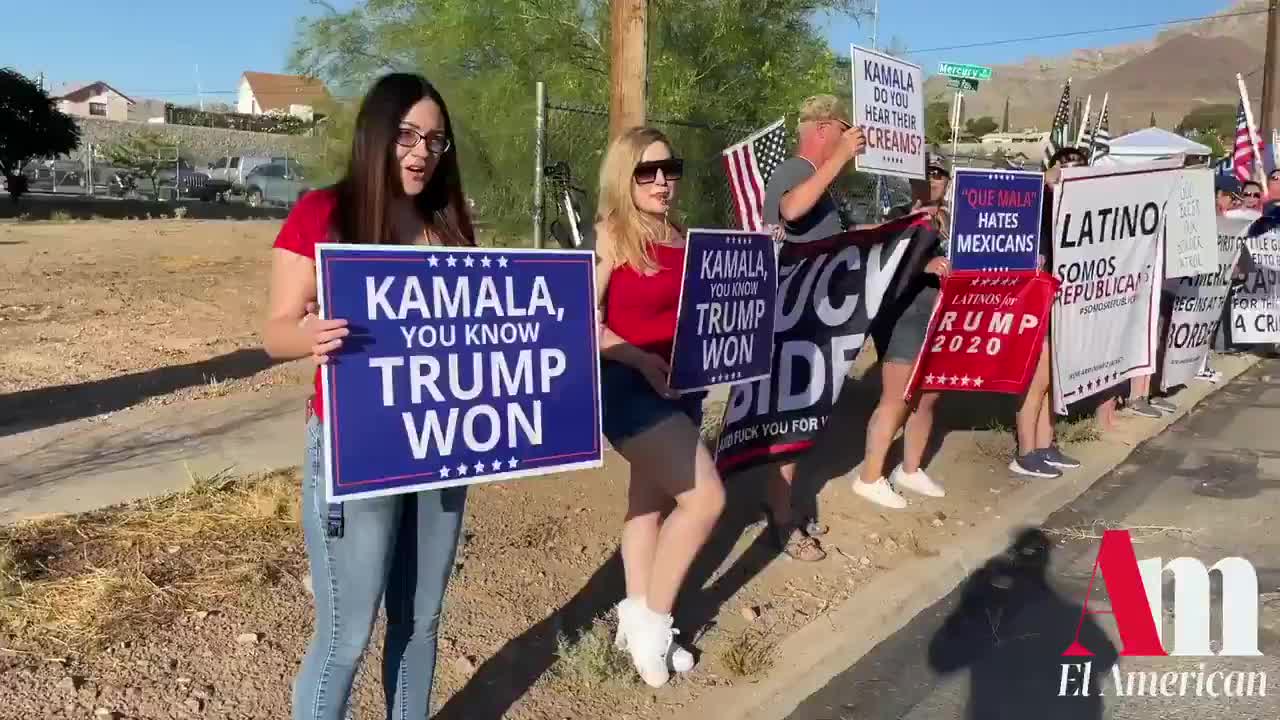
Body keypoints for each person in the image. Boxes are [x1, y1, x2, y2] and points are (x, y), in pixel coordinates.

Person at [262, 73, 474, 720]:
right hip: (356, 446)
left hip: (442, 445)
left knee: (422, 621)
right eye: (407, 135)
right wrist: (311, 337)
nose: (420, 153)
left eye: (434, 141)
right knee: (347, 633)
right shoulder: (324, 213)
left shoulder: (448, 225)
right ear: (377, 135)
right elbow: (274, 332)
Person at [594, 127, 726, 688]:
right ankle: (654, 624)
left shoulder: (680, 235)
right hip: (627, 386)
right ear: (623, 177)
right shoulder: (610, 236)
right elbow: (579, 320)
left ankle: (634, 614)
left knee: (647, 505)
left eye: (669, 169)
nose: (661, 181)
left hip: (681, 384)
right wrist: (640, 360)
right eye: (646, 172)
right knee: (705, 500)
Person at [758, 94, 866, 560]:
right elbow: (792, 210)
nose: (851, 140)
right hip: (790, 321)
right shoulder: (795, 172)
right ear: (824, 129)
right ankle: (781, 521)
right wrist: (839, 160)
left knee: (800, 420)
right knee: (788, 421)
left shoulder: (820, 180)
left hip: (816, 320)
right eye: (845, 131)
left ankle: (785, 504)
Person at [854, 152, 952, 508]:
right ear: (912, 179)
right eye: (927, 173)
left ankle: (909, 469)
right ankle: (869, 476)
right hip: (903, 319)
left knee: (927, 398)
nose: (934, 178)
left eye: (940, 173)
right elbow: (881, 261)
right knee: (896, 398)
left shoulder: (954, 221)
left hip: (940, 320)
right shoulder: (899, 218)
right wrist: (925, 264)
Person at [1009, 147, 1084, 478]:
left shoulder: (1084, 207)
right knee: (1036, 378)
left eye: (1079, 166)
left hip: (1068, 304)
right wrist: (1047, 179)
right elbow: (1014, 191)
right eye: (1064, 164)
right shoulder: (1039, 201)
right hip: (1037, 300)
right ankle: (1025, 452)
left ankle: (1044, 444)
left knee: (1053, 379)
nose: (1070, 170)